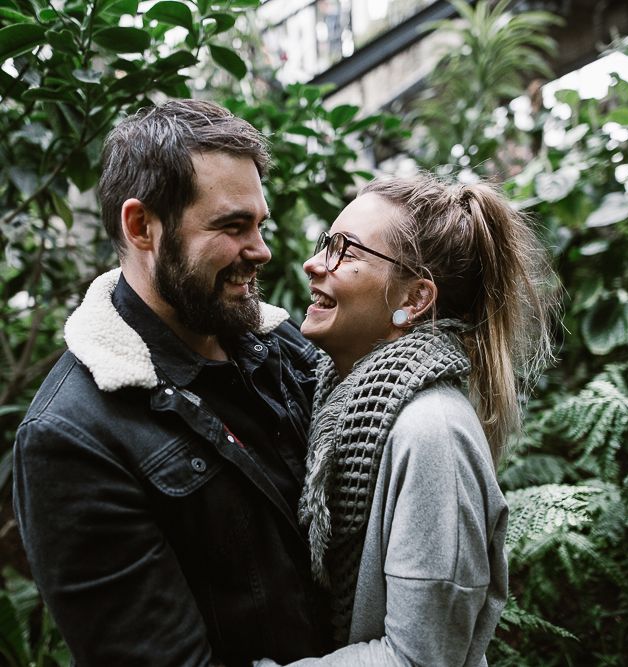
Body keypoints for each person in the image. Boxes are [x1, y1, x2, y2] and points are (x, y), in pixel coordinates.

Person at [12, 99, 328, 666]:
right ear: (142, 226)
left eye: (260, 224)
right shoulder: (72, 438)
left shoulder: (280, 344)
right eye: (232, 227)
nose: (262, 251)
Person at [258, 173, 557, 666]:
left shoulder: (431, 431)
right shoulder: (336, 402)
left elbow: (420, 658)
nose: (314, 263)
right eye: (324, 244)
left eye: (345, 251)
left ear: (414, 300)